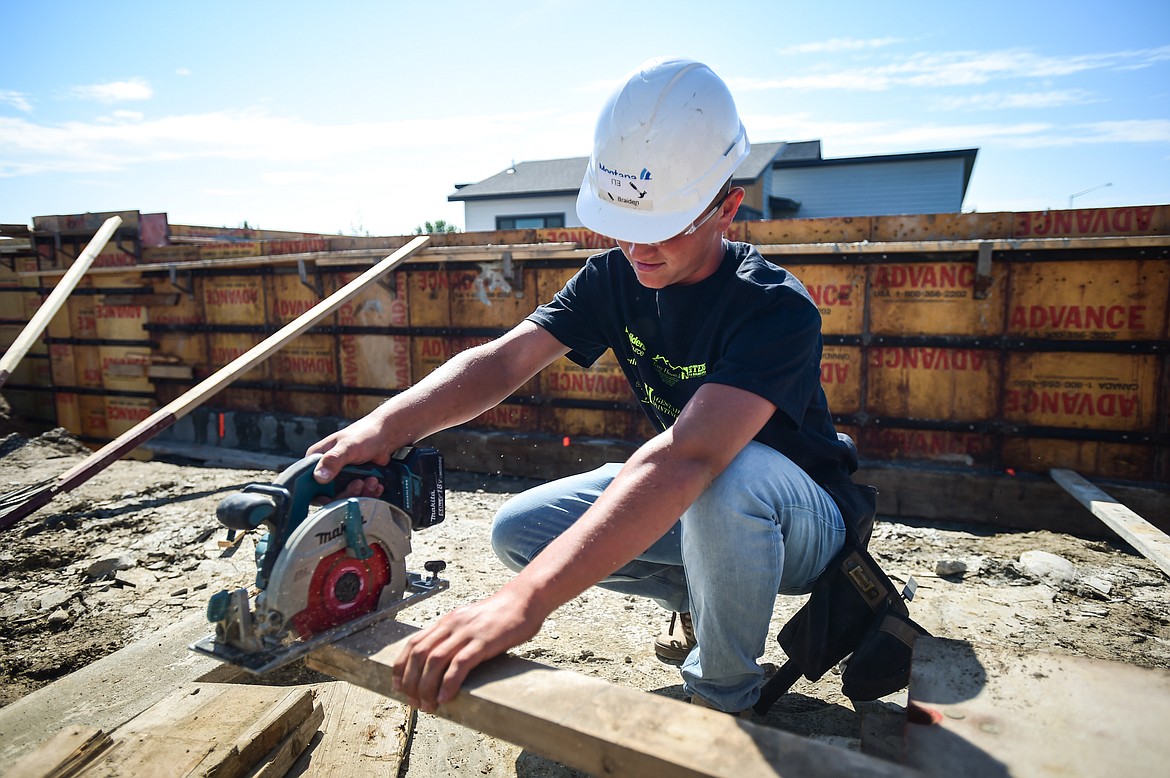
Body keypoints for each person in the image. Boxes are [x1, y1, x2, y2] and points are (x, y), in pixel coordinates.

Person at [309, 56, 859, 716]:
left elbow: (692, 455)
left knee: (728, 479)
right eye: (624, 224)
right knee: (520, 530)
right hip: (698, 498)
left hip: (804, 522)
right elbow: (503, 362)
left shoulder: (774, 309)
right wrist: (390, 425)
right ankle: (702, 594)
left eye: (663, 227)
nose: (639, 248)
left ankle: (722, 697)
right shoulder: (615, 278)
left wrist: (524, 603)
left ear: (727, 208)